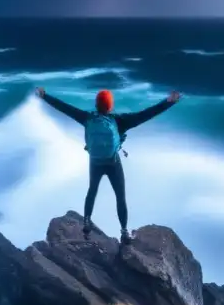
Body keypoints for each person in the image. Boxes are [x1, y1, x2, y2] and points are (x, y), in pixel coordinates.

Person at [34, 86, 182, 244]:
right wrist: (168, 102)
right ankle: (124, 232)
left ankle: (86, 222)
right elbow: (146, 114)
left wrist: (45, 96)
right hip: (113, 162)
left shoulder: (87, 118)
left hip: (96, 161)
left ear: (96, 105)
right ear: (110, 106)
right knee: (120, 197)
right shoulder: (120, 121)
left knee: (92, 191)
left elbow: (65, 108)